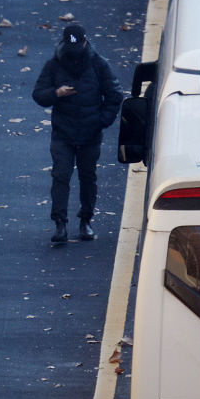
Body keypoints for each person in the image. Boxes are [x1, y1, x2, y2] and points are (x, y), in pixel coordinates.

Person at [31, 24, 122, 245]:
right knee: (60, 177)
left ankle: (85, 221)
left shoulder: (98, 64)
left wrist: (102, 122)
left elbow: (114, 95)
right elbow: (38, 94)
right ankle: (60, 224)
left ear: (84, 42)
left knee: (87, 178)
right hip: (63, 133)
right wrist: (56, 93)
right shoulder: (54, 65)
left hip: (90, 133)